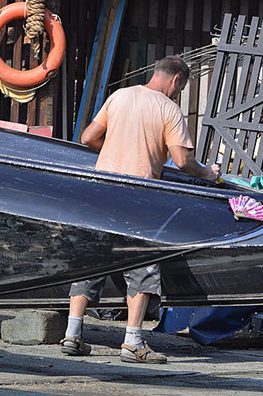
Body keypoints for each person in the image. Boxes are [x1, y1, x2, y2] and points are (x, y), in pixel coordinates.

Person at [60, 55, 220, 364]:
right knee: (142, 264)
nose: (177, 93)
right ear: (176, 81)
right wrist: (210, 175)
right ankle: (133, 342)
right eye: (180, 88)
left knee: (91, 258)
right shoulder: (168, 109)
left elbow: (88, 137)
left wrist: (113, 151)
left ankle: (73, 334)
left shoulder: (119, 96)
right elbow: (183, 161)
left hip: (102, 189)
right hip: (138, 195)